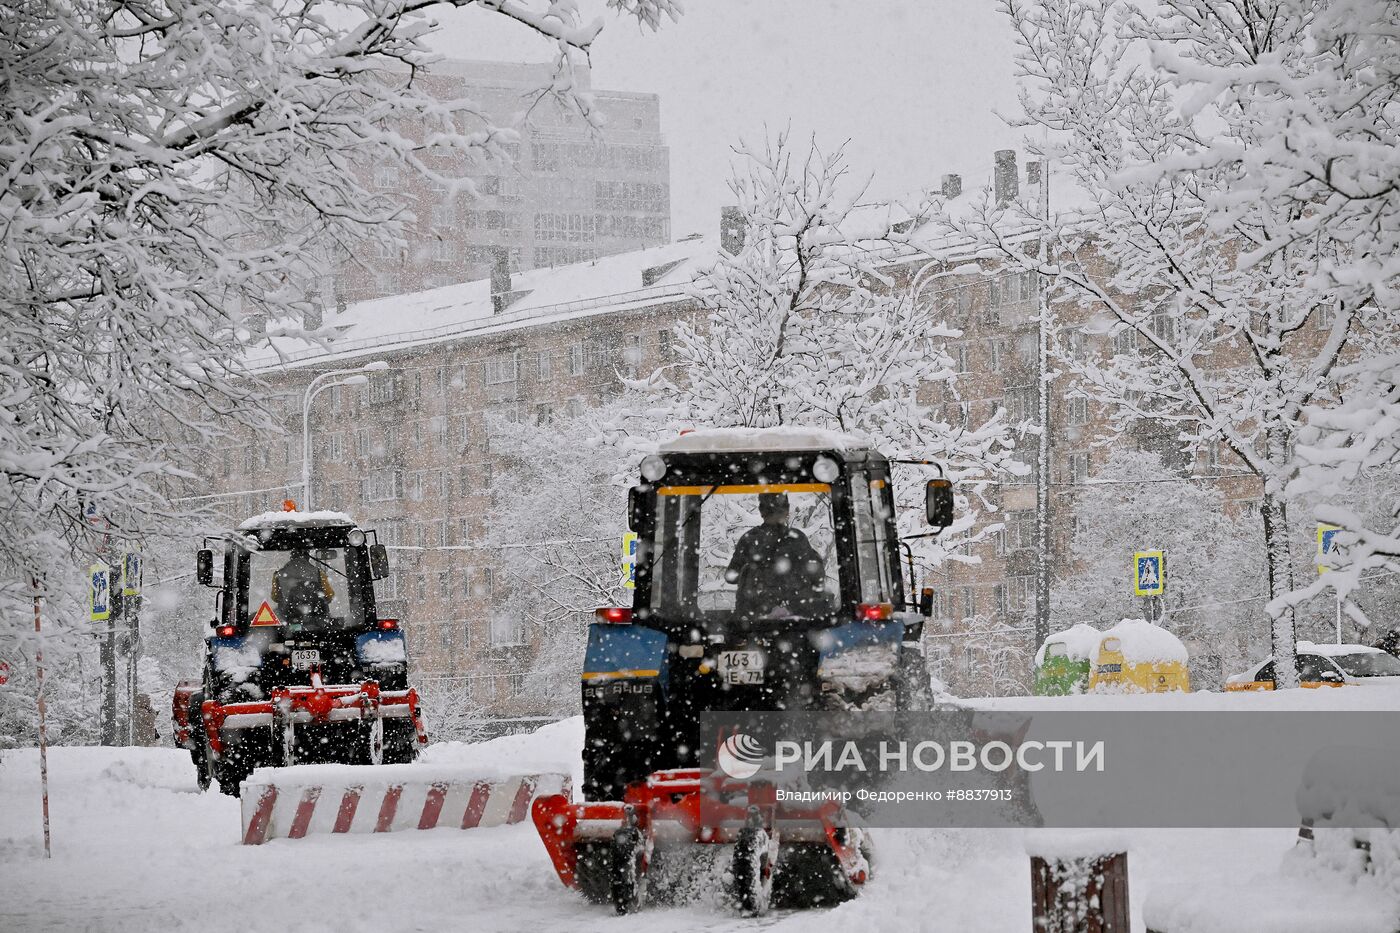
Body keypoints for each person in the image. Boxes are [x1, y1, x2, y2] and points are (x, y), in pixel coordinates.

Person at [725, 493, 825, 617]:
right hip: (796, 617)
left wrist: (752, 575)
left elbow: (731, 577)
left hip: (754, 618)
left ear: (761, 511)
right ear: (787, 511)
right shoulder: (798, 539)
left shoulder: (749, 539)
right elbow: (817, 576)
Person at [271, 549, 335, 626]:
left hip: (289, 618)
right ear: (307, 557)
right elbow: (329, 595)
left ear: (292, 557)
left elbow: (275, 597)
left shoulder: (278, 574)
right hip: (316, 619)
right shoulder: (318, 572)